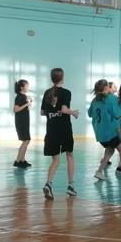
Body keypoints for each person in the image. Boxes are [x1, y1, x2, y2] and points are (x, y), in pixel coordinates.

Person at [41, 67, 79, 200]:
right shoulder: (66, 93)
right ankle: (70, 186)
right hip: (64, 128)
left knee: (56, 160)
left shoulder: (47, 93)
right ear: (62, 77)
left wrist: (52, 111)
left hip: (51, 129)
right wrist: (73, 113)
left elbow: (42, 112)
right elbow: (63, 109)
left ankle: (48, 183)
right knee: (70, 155)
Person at [88, 79, 121, 181]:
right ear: (106, 88)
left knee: (110, 150)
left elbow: (90, 114)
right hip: (110, 132)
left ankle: (99, 172)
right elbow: (118, 115)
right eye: (108, 86)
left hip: (100, 134)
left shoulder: (94, 100)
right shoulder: (110, 98)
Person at [13, 79, 32, 168]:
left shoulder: (24, 96)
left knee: (26, 140)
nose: (28, 87)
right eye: (27, 86)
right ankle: (18, 161)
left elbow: (24, 108)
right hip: (21, 121)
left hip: (24, 121)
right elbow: (15, 109)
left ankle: (22, 160)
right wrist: (26, 105)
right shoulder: (19, 96)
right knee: (26, 140)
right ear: (22, 87)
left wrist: (28, 104)